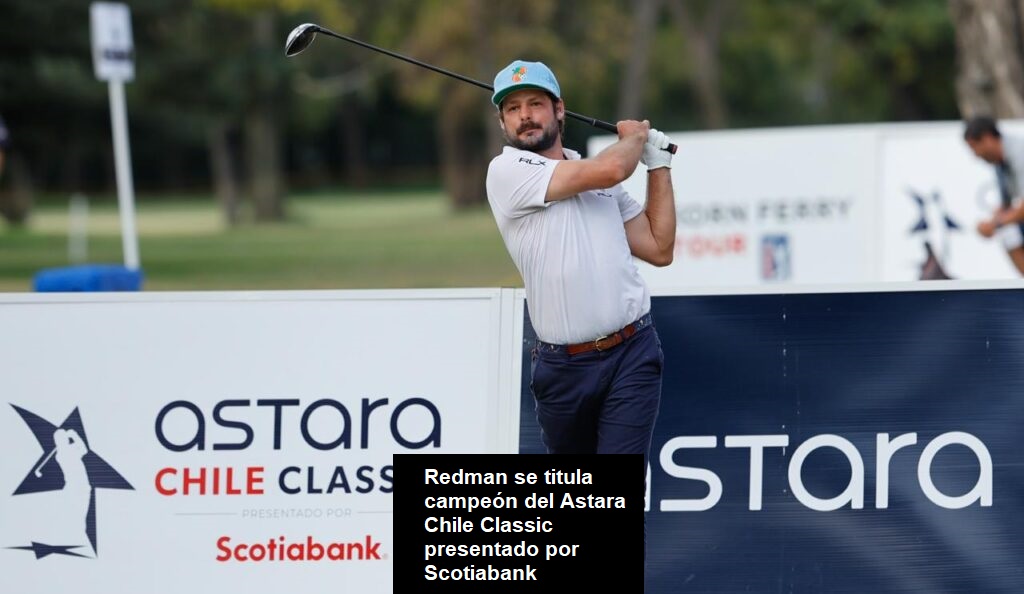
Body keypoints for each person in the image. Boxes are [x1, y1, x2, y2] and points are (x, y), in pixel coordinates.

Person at [485, 59, 675, 571]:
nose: (525, 116)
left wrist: (658, 165)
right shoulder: (507, 172)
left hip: (632, 353)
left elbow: (658, 246)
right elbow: (611, 166)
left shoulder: (599, 176)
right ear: (502, 122)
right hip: (562, 368)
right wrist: (634, 138)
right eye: (512, 109)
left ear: (559, 110)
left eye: (535, 104)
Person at [964, 116, 1024, 275]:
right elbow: (1007, 206)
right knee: (1009, 233)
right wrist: (991, 223)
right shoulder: (1000, 162)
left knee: (1009, 229)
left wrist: (996, 224)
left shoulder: (1020, 151)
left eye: (974, 147)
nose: (975, 155)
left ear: (988, 138)